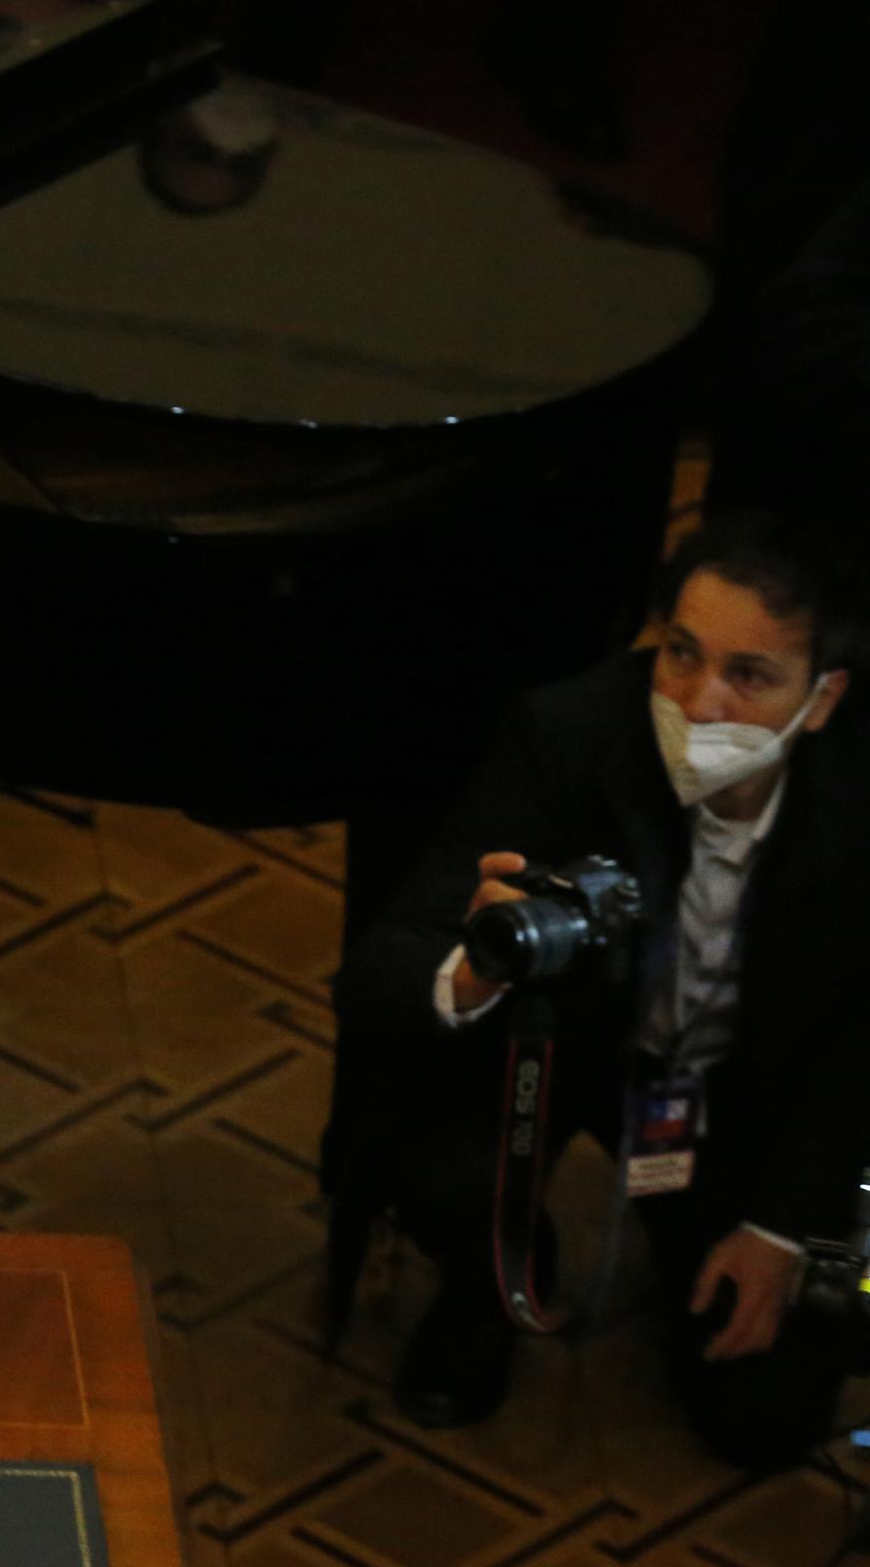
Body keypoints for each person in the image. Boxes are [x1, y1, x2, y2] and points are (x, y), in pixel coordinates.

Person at [338, 513, 870, 1463]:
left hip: (723, 1091)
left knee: (765, 1417)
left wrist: (781, 1226)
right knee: (433, 1167)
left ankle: (696, 1251)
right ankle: (493, 1277)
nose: (699, 704)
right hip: (552, 1058)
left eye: (749, 677)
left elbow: (856, 1040)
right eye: (681, 654)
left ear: (820, 700)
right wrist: (477, 968)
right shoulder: (565, 733)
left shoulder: (858, 802)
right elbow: (379, 973)